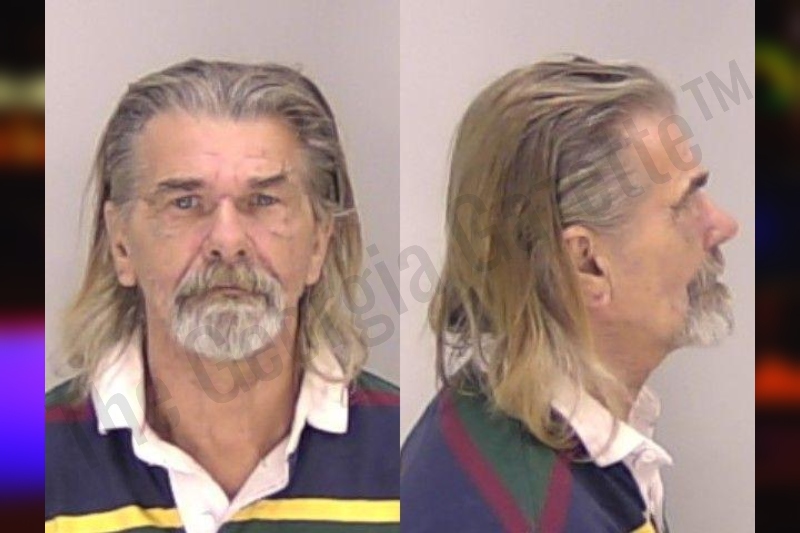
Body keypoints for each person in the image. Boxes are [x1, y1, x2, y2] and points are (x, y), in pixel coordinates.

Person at [46, 59, 399, 533]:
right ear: (120, 243)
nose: (228, 241)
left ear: (319, 242)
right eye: (185, 203)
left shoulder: (400, 453)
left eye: (263, 201)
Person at [401, 56, 739, 532]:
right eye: (684, 204)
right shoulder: (517, 511)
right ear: (587, 264)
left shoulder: (563, 450)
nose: (723, 225)